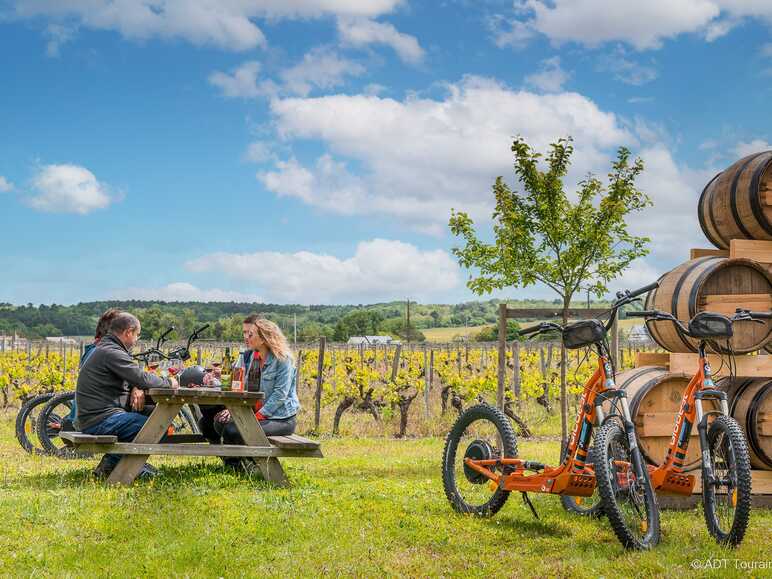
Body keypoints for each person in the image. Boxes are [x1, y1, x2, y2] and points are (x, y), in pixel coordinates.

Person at [75, 312, 178, 478]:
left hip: (98, 416)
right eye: (137, 335)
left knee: (156, 415)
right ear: (128, 332)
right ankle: (116, 465)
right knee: (159, 426)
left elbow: (133, 377)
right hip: (99, 420)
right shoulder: (111, 352)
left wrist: (136, 387)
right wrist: (169, 382)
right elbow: (141, 377)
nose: (137, 340)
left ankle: (120, 463)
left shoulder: (107, 348)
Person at [198, 316, 300, 456]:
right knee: (218, 422)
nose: (247, 337)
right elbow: (242, 385)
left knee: (232, 430)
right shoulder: (254, 357)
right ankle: (240, 463)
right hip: (256, 413)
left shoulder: (283, 359)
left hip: (280, 419)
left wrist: (256, 417)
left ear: (263, 339)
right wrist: (219, 382)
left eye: (251, 334)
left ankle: (241, 465)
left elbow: (280, 395)